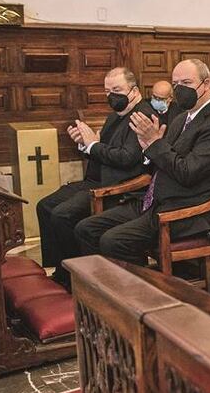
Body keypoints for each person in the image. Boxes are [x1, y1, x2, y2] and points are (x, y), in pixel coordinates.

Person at [75, 59, 210, 265]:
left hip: (190, 209)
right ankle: (101, 289)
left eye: (187, 83)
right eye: (176, 84)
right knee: (87, 228)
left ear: (206, 85)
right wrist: (147, 148)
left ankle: (143, 294)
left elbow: (187, 172)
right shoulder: (182, 118)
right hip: (156, 200)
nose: (180, 89)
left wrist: (154, 144)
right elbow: (162, 160)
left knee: (114, 241)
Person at [36, 67, 153, 286]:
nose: (112, 96)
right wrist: (83, 143)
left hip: (119, 186)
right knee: (45, 205)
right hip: (96, 178)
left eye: (117, 90)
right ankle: (62, 269)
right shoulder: (113, 117)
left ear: (134, 91)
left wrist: (92, 145)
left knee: (62, 215)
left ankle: (78, 277)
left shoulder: (142, 115)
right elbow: (98, 150)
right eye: (108, 92)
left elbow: (127, 158)